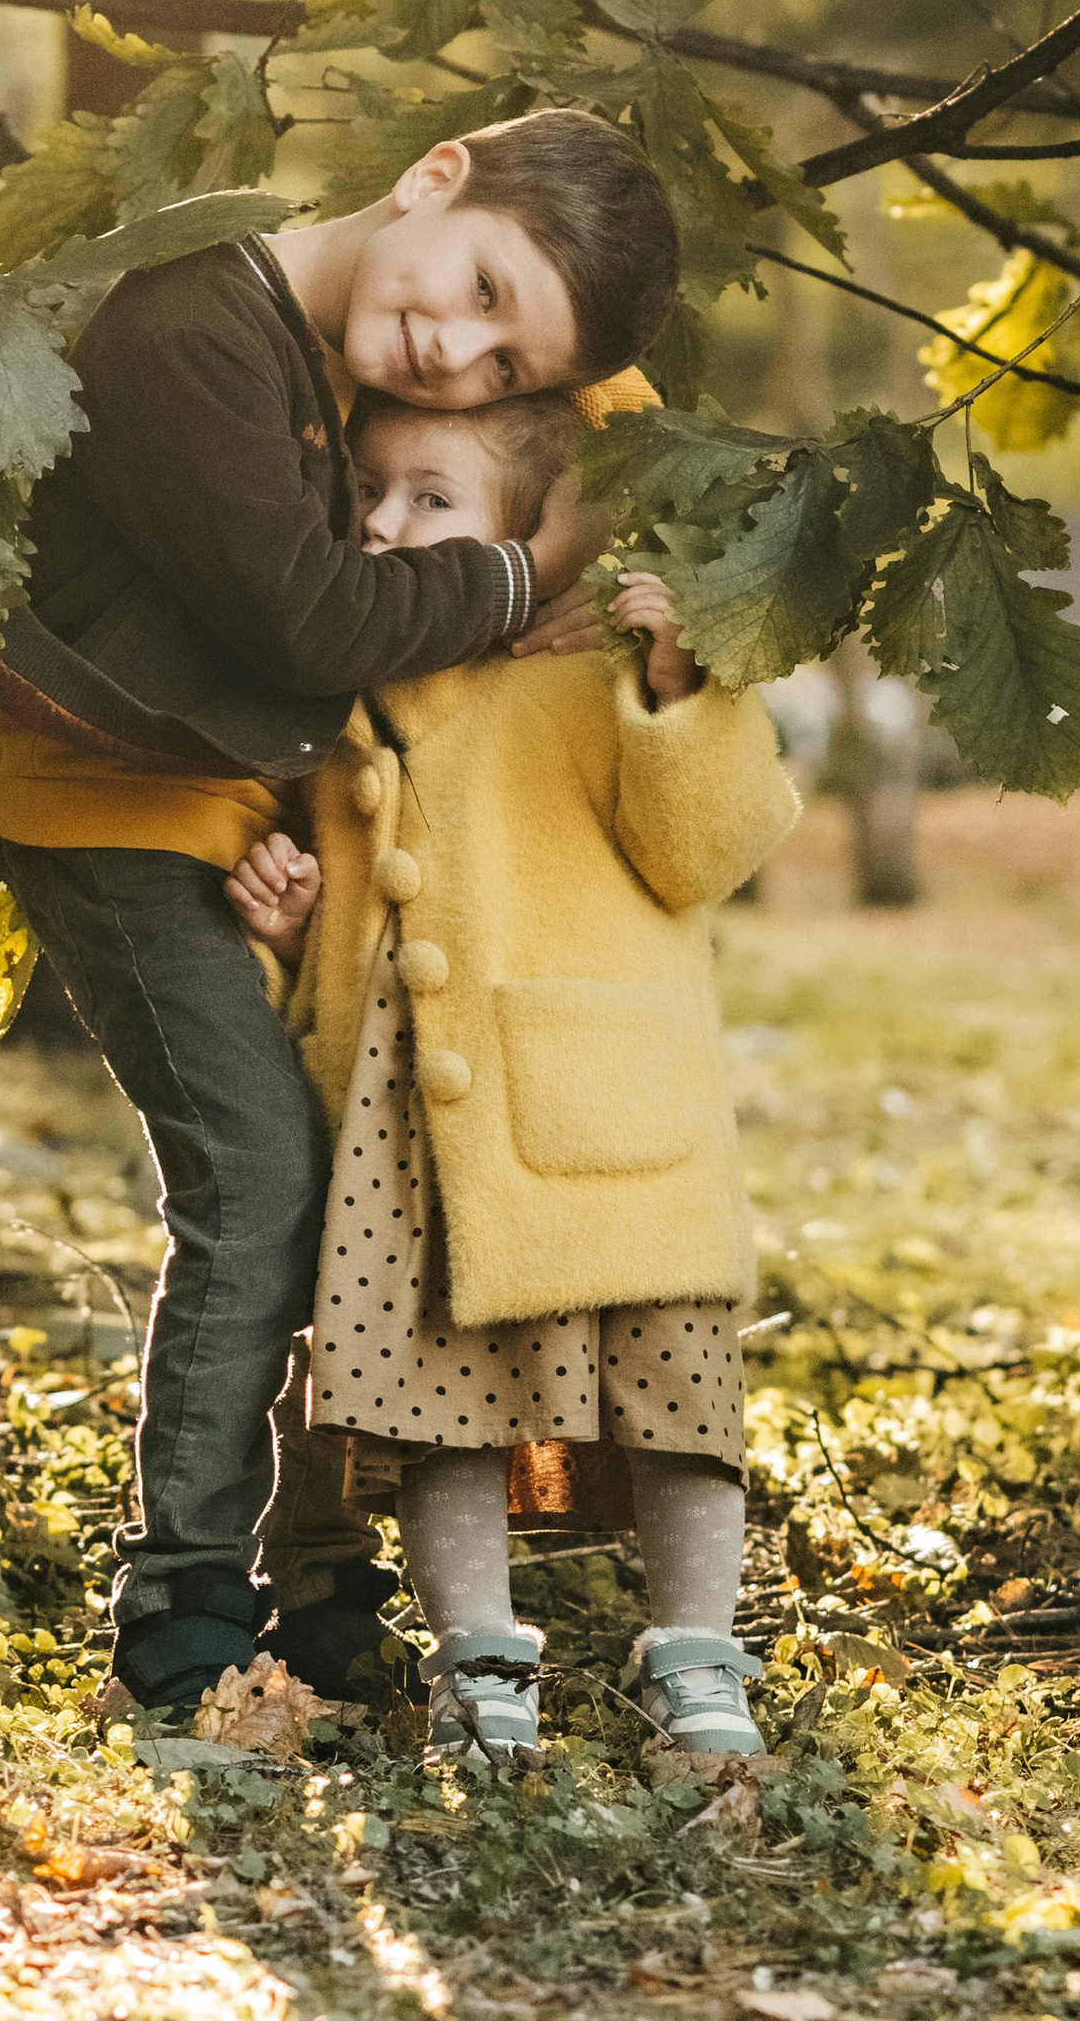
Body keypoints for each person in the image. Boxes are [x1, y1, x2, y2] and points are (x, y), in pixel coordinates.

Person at [0, 112, 682, 1726]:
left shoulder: (364, 356)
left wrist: (616, 467)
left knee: (367, 1191)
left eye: (509, 366)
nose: (462, 350)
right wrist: (526, 570)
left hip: (273, 834)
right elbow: (316, 619)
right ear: (436, 168)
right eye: (482, 284)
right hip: (125, 816)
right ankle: (186, 1582)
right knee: (264, 1182)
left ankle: (321, 1565)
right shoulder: (191, 331)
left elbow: (627, 419)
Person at [225, 387, 798, 1767]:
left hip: (606, 1113)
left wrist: (682, 693)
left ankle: (702, 1652)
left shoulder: (593, 668)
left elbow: (706, 848)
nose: (381, 521)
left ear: (526, 536)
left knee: (673, 1396)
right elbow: (352, 943)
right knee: (442, 1409)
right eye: (369, 494)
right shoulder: (344, 700)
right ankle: (478, 1659)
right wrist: (297, 937)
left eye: (430, 497)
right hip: (413, 1132)